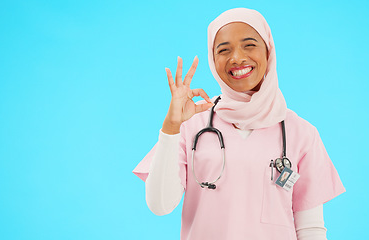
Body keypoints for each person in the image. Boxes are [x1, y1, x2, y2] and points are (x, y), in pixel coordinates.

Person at [133, 8, 345, 240]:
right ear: (213, 60)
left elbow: (310, 229)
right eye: (224, 50)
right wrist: (171, 128)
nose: (237, 58)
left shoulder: (301, 133)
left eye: (249, 45)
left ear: (268, 51)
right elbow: (160, 205)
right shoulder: (191, 124)